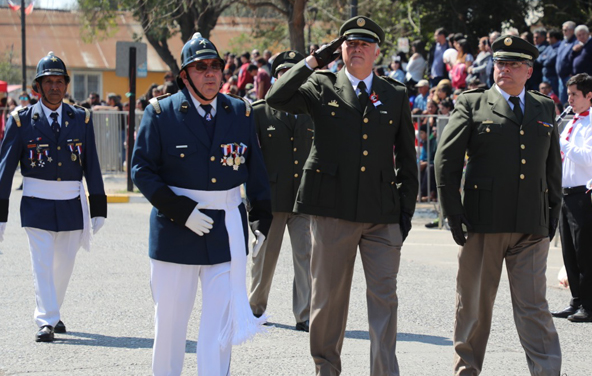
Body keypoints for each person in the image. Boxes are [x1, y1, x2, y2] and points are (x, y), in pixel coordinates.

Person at [265, 16, 418, 376]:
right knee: (329, 300)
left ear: (377, 51)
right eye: (350, 43)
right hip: (331, 208)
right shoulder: (321, 84)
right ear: (341, 49)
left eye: (365, 44)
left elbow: (407, 159)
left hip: (382, 213)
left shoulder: (393, 93)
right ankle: (326, 368)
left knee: (384, 299)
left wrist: (405, 213)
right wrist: (314, 60)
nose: (357, 49)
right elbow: (276, 96)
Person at [131, 33, 272, 374]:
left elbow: (255, 168)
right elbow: (142, 170)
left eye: (215, 67)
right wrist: (180, 210)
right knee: (170, 326)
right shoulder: (161, 113)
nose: (210, 74)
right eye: (200, 67)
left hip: (225, 230)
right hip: (176, 231)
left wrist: (261, 220)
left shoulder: (239, 111)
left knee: (220, 328)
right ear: (184, 75)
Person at [435, 35, 562, 375]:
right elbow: (445, 162)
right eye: (500, 63)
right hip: (483, 221)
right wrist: (453, 212)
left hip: (530, 224)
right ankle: (466, 371)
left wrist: (552, 213)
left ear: (529, 71)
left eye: (514, 64)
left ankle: (547, 371)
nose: (504, 69)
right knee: (474, 307)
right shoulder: (473, 103)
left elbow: (552, 167)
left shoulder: (544, 107)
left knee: (534, 307)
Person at [0, 52, 107, 342]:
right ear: (38, 86)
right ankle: (46, 320)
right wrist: (1, 214)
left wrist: (99, 206)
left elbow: (92, 165)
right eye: (48, 82)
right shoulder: (21, 121)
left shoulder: (81, 118)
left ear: (66, 85)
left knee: (64, 265)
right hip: (37, 204)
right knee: (42, 263)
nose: (55, 87)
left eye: (60, 82)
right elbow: (5, 169)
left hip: (72, 204)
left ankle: (53, 310)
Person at [248, 50, 314, 333]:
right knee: (264, 258)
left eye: (292, 72)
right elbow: (249, 157)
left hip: (304, 198)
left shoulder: (312, 110)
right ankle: (254, 310)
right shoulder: (260, 111)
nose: (286, 77)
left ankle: (306, 315)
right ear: (274, 78)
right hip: (271, 198)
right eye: (281, 73)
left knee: (307, 259)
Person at [551, 73, 592, 323]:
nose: (569, 99)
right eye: (569, 93)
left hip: (584, 193)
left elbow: (587, 158)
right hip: (566, 192)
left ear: (589, 96)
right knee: (569, 252)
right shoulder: (573, 120)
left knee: (585, 252)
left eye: (574, 94)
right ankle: (576, 300)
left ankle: (590, 306)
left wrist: (560, 142)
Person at [556, 21, 578, 104]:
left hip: (569, 77)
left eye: (565, 30)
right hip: (560, 77)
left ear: (572, 31)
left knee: (570, 101)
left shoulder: (576, 42)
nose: (563, 32)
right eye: (563, 30)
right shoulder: (563, 42)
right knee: (562, 100)